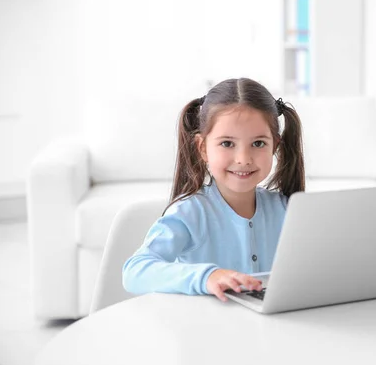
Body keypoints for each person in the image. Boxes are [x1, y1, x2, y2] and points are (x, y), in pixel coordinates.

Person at [122, 78, 305, 302]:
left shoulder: (287, 210)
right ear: (203, 148)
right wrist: (207, 277)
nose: (243, 159)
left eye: (258, 143)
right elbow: (135, 271)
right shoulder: (190, 212)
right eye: (227, 143)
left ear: (274, 146)